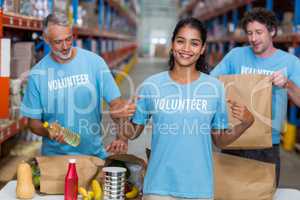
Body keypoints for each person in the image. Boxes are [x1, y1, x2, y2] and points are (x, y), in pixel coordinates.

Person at [116, 18, 254, 200]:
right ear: (172, 44)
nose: (186, 49)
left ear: (203, 48)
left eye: (194, 43)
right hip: (158, 187)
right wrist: (120, 117)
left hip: (199, 187)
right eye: (181, 41)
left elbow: (220, 141)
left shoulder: (214, 88)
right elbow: (132, 133)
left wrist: (245, 123)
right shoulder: (151, 85)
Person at [20, 13, 134, 159]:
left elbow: (117, 105)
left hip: (93, 155)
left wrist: (121, 137)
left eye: (69, 39)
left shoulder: (95, 63)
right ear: (46, 40)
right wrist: (48, 132)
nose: (65, 46)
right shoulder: (37, 74)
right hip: (55, 159)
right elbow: (33, 123)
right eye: (58, 42)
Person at [210, 7, 300, 186]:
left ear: (272, 31)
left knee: (263, 192)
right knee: (229, 191)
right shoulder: (236, 55)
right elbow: (212, 84)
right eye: (249, 33)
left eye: (259, 32)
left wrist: (287, 84)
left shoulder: (290, 62)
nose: (253, 38)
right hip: (234, 136)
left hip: (267, 143)